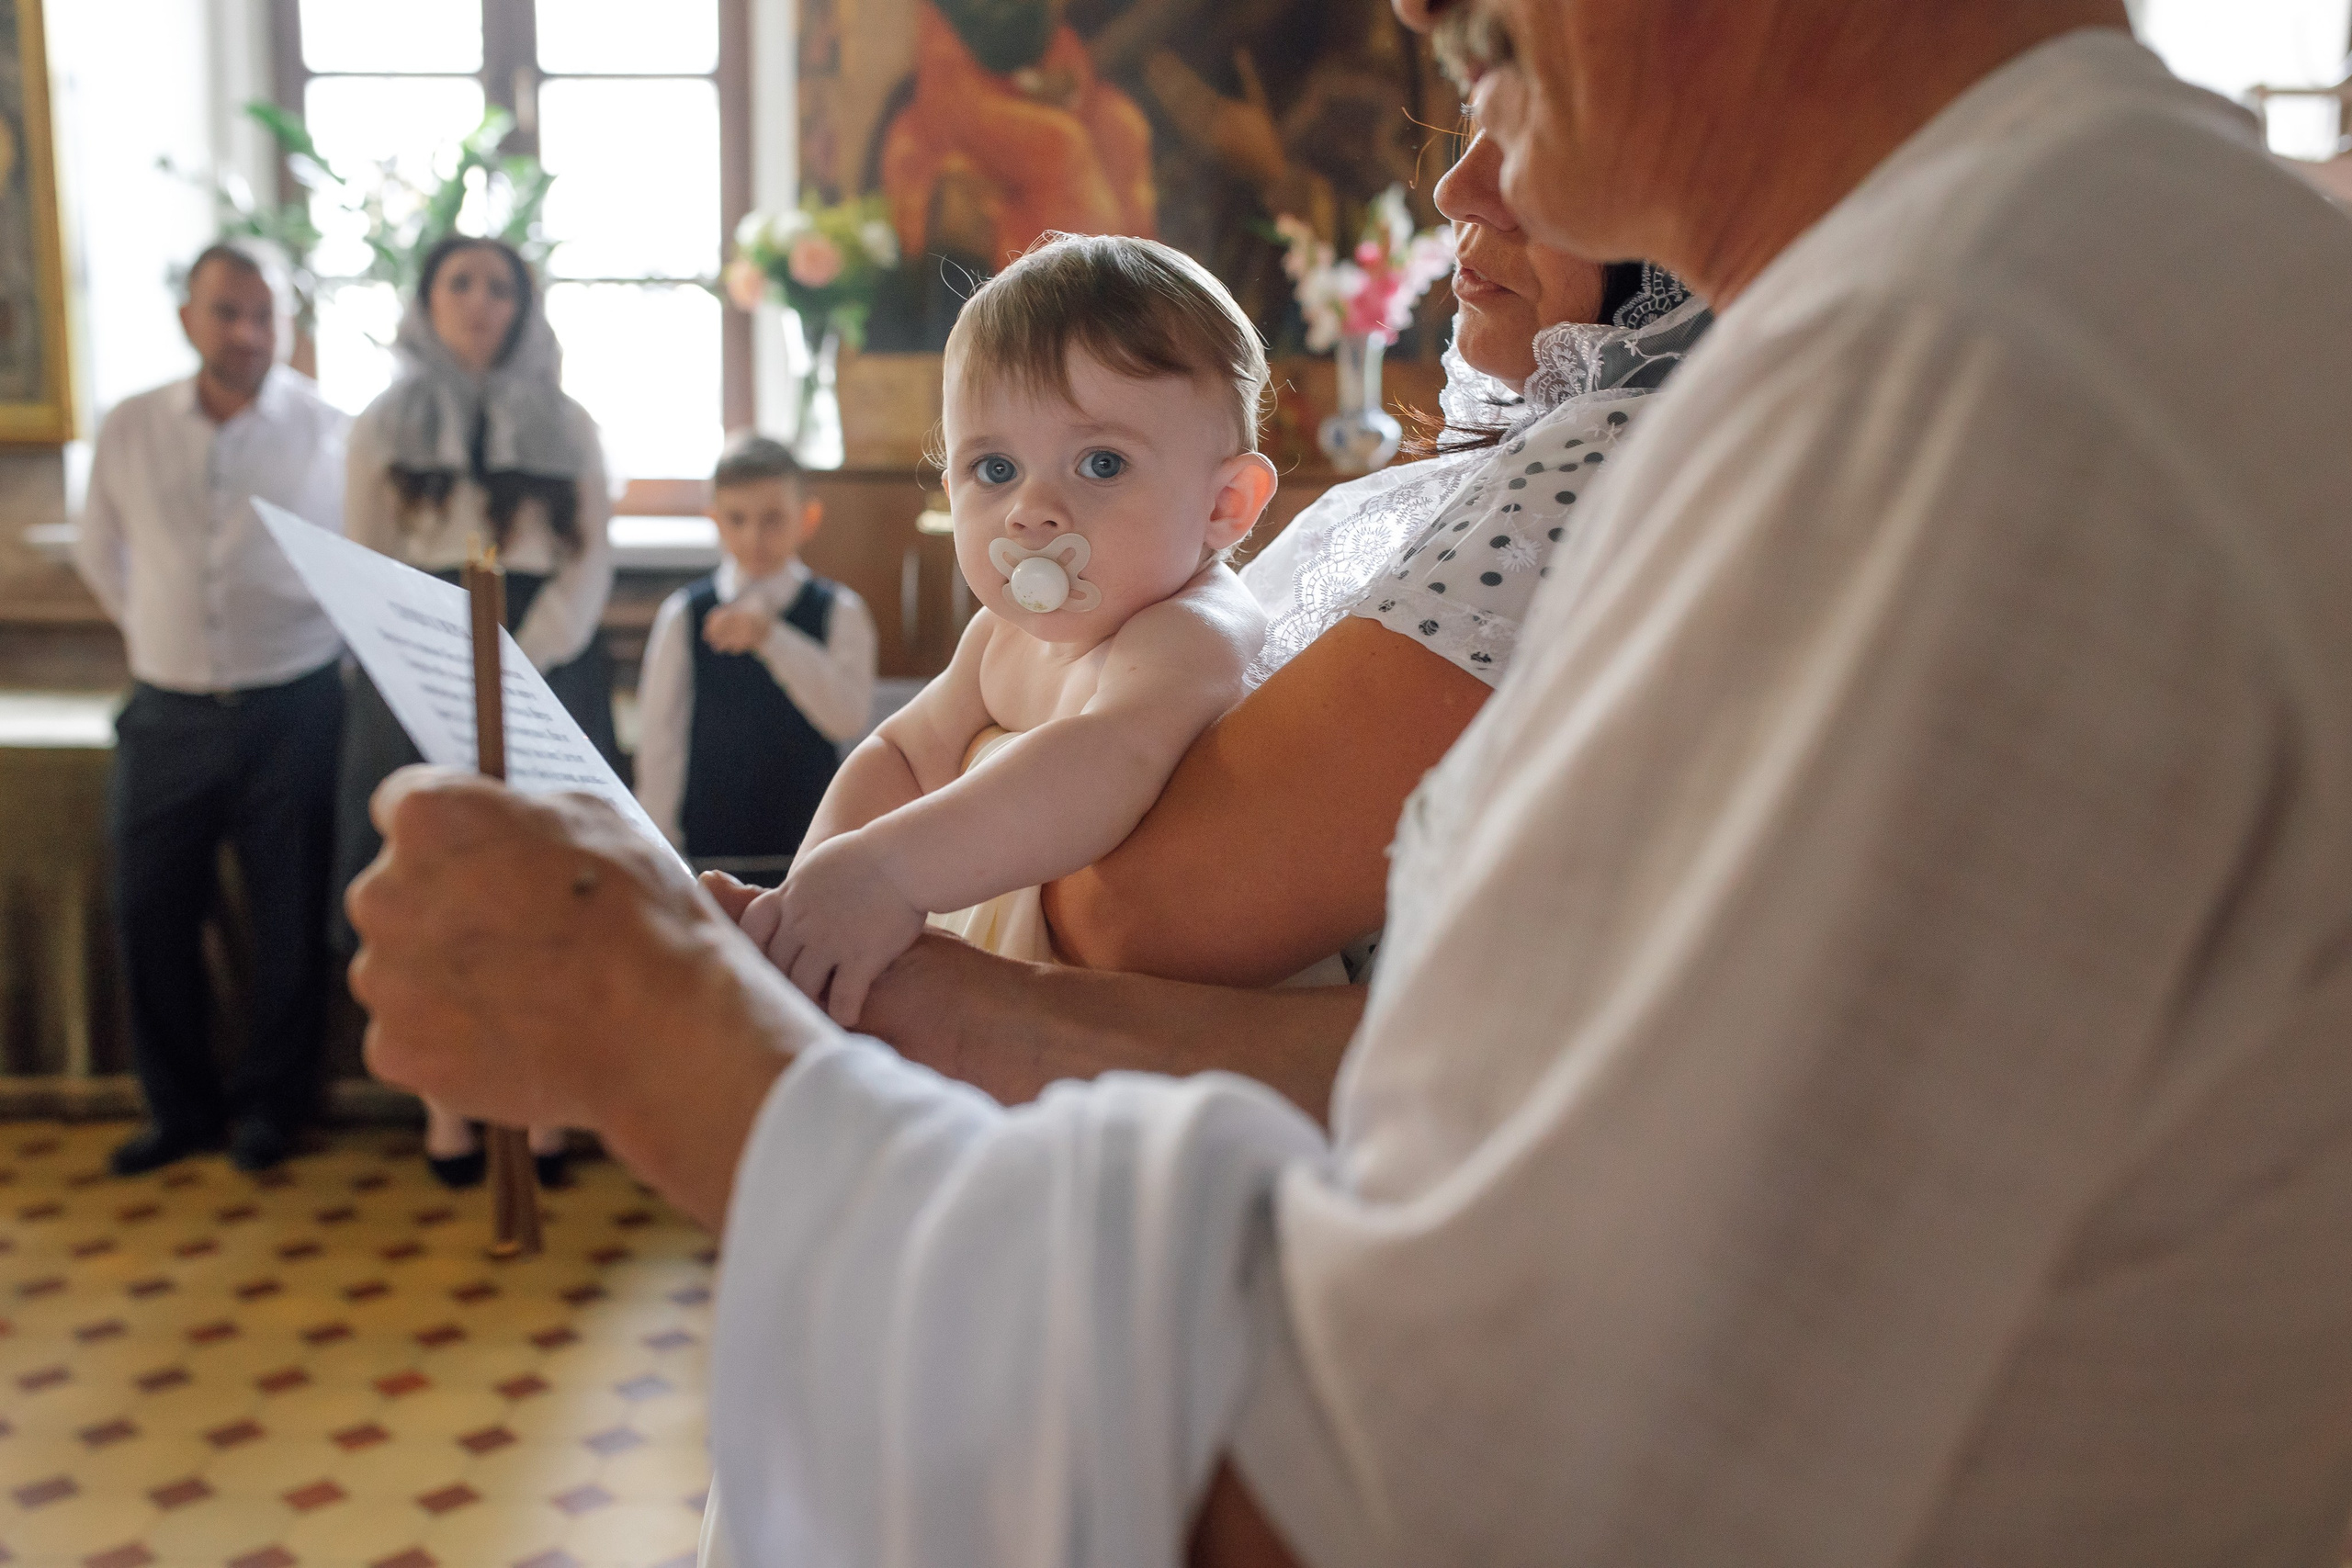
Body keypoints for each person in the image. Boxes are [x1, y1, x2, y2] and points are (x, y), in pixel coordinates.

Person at [348, 2, 2352, 1563]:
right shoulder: (2065, 272)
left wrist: (673, 1043)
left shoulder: (1961, 376)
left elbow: (1416, 1480)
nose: (1417, 23)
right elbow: (1496, 1092)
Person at [739, 234, 1278, 1022]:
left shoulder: (1196, 628)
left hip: (1126, 1026)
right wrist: (814, 894)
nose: (1030, 510)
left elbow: (1106, 758)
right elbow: (902, 754)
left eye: (1101, 463)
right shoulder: (1000, 637)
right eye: (994, 469)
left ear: (1225, 504)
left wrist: (890, 873)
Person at [336, 233, 613, 1190]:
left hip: (543, 656)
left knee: (541, 888)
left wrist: (524, 653)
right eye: (460, 283)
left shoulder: (569, 421)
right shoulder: (381, 424)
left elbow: (590, 558)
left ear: (523, 306)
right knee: (436, 887)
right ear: (426, 301)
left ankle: (541, 1102)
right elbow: (367, 559)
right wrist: (441, 659)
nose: (480, 302)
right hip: (420, 664)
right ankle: (447, 1106)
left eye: (499, 286)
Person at [74, 242, 349, 1178]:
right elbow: (101, 550)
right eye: (228, 312)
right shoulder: (129, 426)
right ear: (187, 318)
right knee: (150, 911)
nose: (248, 333)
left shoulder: (331, 431)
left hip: (295, 704)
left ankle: (273, 1108)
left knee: (288, 916)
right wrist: (164, 636)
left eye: (265, 315)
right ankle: (179, 1108)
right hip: (167, 709)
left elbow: (361, 559)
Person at [634, 433, 876, 886]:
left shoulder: (841, 611)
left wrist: (770, 637)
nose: (753, 537)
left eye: (772, 519)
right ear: (714, 520)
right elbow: (661, 742)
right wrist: (660, 848)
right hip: (708, 856)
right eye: (737, 519)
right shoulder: (683, 615)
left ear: (808, 518)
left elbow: (847, 718)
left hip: (810, 854)